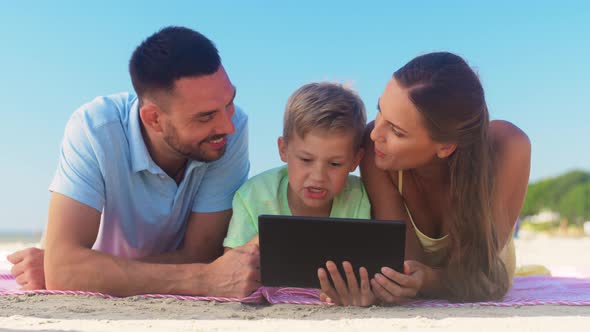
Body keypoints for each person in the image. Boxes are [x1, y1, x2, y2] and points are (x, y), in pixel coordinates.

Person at [6, 26, 260, 298]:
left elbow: (201, 254)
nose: (227, 125)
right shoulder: (95, 128)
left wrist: (88, 272)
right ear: (153, 119)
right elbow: (65, 271)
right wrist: (203, 280)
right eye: (205, 117)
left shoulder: (228, 130)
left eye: (229, 102)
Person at [319, 52, 531, 306]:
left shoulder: (508, 146)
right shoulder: (378, 152)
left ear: (446, 147)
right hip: (449, 278)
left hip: (482, 273)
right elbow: (404, 266)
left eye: (396, 131)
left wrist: (428, 280)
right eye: (380, 111)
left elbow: (482, 277)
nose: (376, 133)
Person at [223, 82, 371, 251]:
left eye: (335, 164)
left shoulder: (359, 197)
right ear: (283, 149)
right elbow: (231, 268)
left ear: (355, 161)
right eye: (306, 160)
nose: (318, 176)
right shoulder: (253, 196)